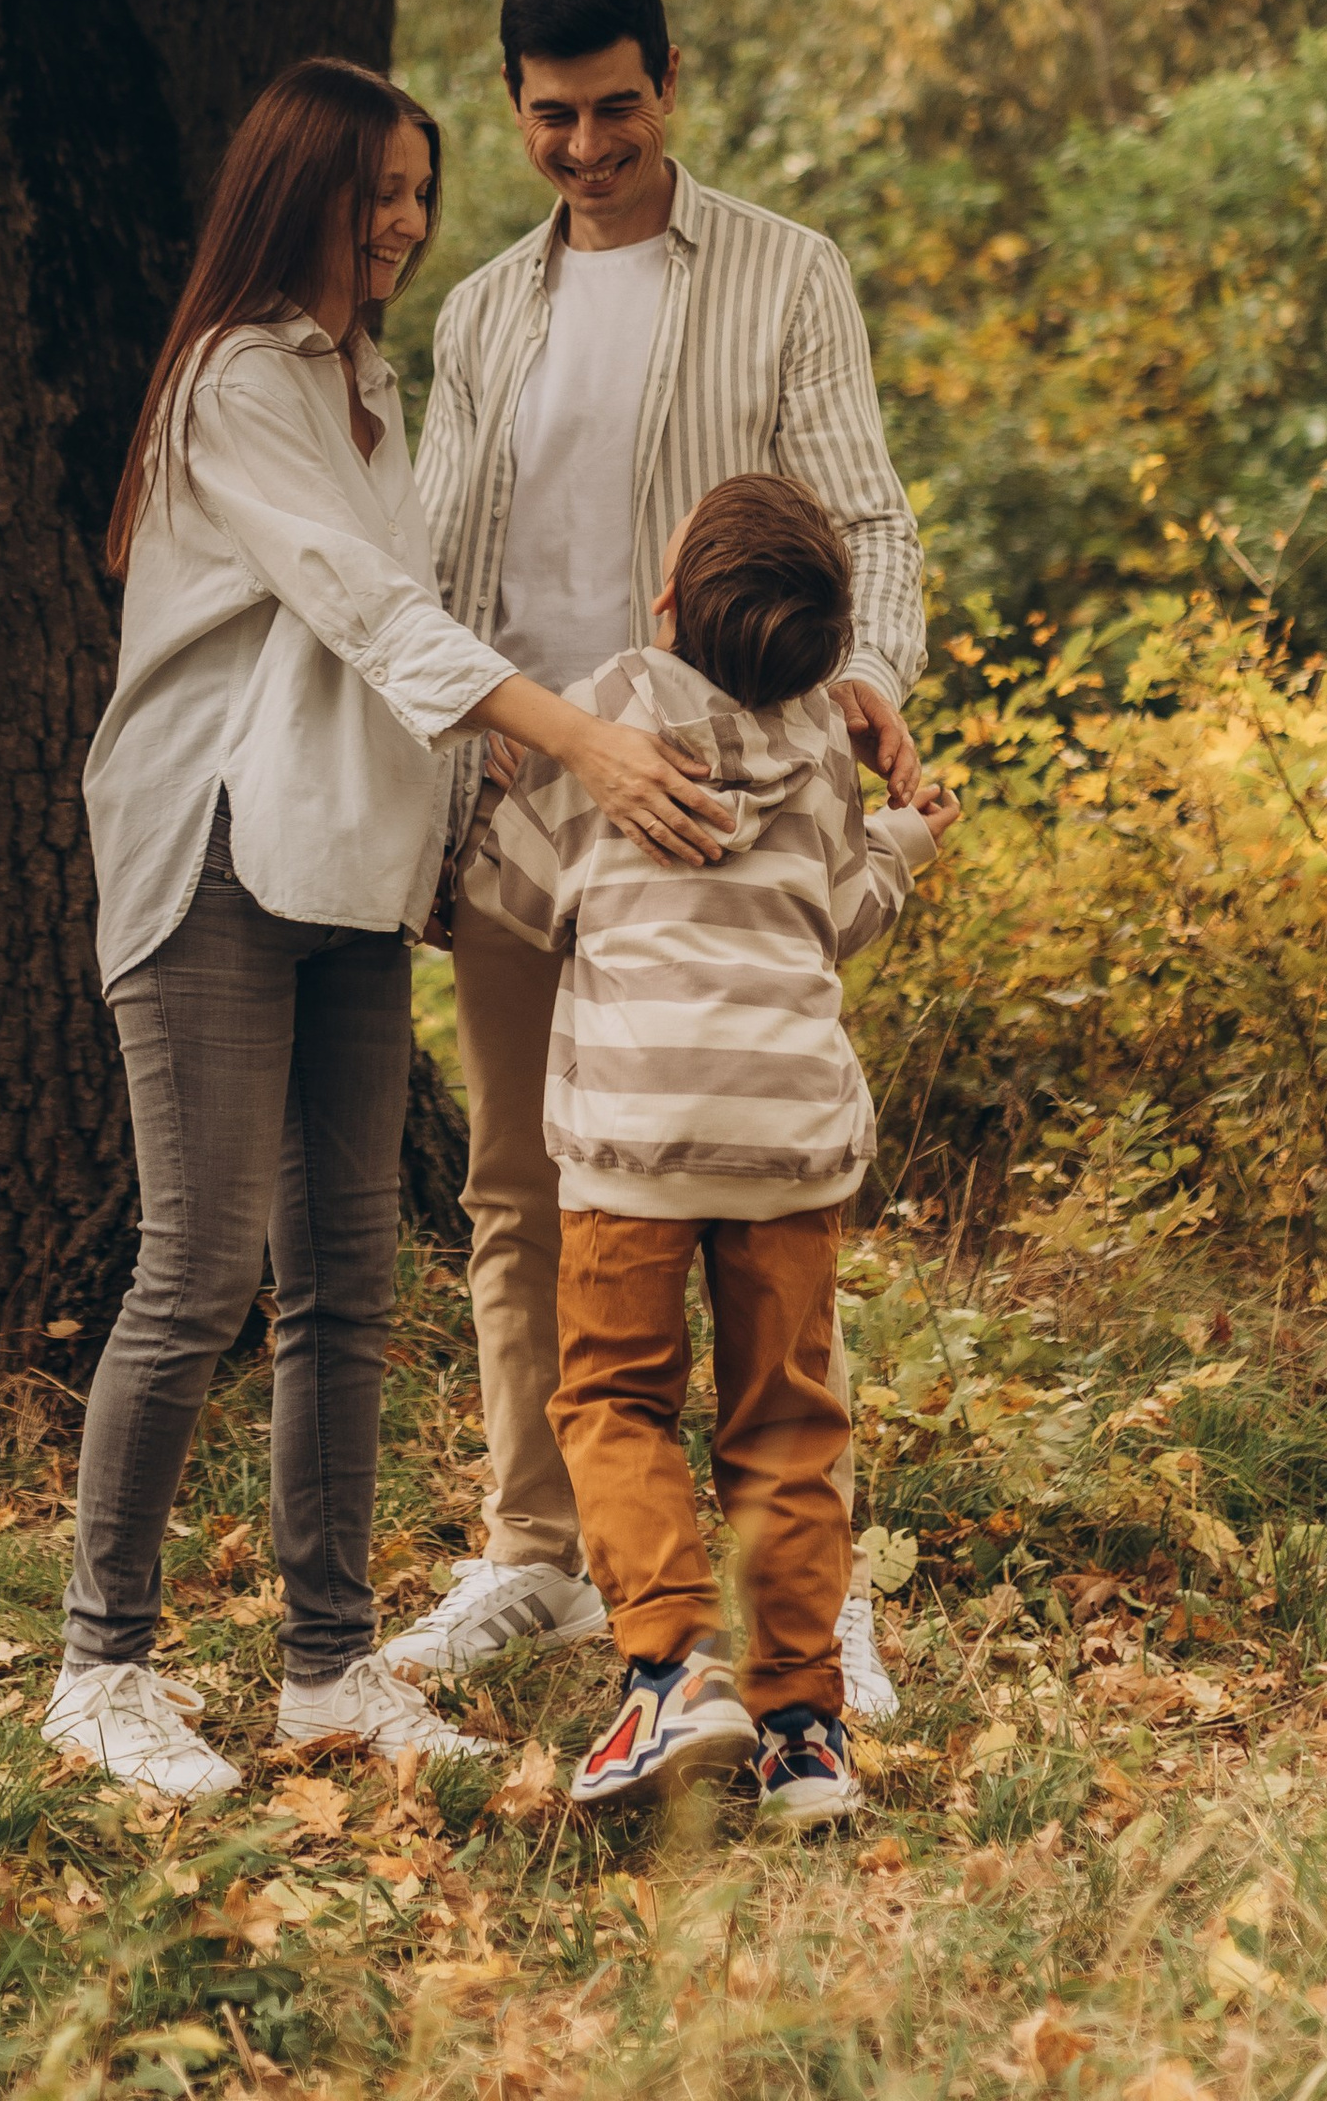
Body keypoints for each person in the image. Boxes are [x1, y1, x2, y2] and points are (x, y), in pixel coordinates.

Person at [46, 56, 740, 1801]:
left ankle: (327, 1671)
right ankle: (99, 1670)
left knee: (349, 1281)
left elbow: (414, 619)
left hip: (348, 871)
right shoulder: (231, 381)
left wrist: (462, 837)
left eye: (425, 198)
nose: (411, 229)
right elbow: (369, 612)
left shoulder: (366, 384)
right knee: (202, 1270)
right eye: (382, 199)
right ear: (301, 195)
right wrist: (573, 734)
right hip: (214, 851)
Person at [398, 0, 927, 1717]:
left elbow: (867, 515)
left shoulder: (784, 273)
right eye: (551, 115)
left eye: (617, 106)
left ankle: (803, 1593)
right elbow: (441, 577)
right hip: (531, 807)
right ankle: (537, 1557)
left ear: (670, 82)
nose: (587, 144)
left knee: (765, 1190)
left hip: (725, 801)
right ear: (514, 108)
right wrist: (480, 771)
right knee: (521, 1186)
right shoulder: (479, 314)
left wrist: (864, 681)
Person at [454, 477, 947, 1825]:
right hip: (790, 1148)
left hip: (634, 1143)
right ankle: (803, 1726)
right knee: (788, 1419)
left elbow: (512, 892)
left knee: (614, 1397)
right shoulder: (821, 749)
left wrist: (493, 801)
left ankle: (670, 1671)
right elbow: (842, 910)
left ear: (665, 604)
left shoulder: (609, 718)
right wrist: (904, 840)